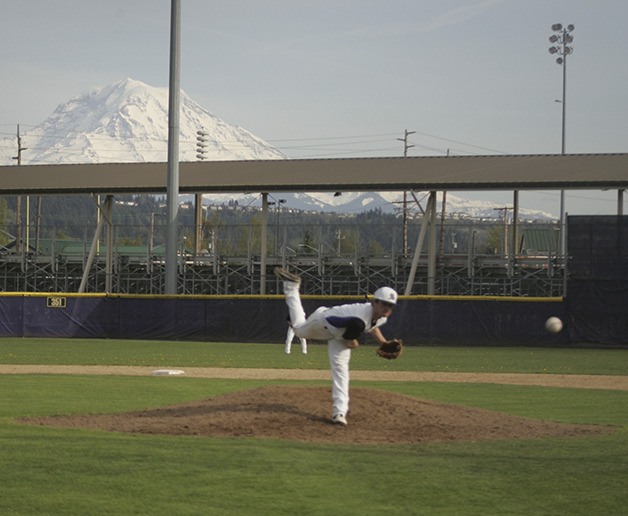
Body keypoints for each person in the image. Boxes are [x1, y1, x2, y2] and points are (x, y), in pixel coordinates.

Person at [274, 266, 398, 427]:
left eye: (391, 305)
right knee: (298, 330)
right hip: (324, 321)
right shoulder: (359, 316)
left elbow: (373, 327)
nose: (387, 308)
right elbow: (350, 327)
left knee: (341, 372)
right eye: (384, 304)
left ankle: (339, 412)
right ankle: (291, 286)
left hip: (341, 335)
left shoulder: (381, 317)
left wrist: (383, 342)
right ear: (374, 302)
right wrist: (351, 341)